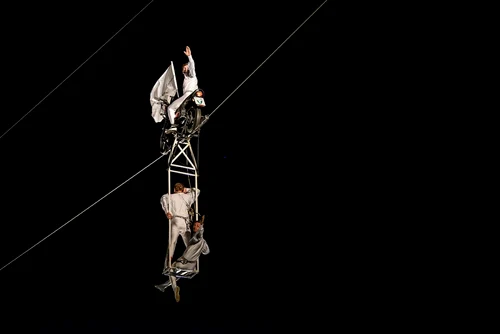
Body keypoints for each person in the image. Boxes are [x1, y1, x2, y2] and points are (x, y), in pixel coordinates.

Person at [155, 217, 210, 302]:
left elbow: (199, 234)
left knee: (172, 269)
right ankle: (164, 286)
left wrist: (201, 225)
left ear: (200, 228)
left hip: (183, 263)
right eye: (194, 226)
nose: (195, 227)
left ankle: (174, 288)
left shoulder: (194, 239)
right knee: (177, 274)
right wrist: (202, 245)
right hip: (191, 266)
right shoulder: (203, 242)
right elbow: (206, 252)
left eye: (197, 226)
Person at [160, 182, 200, 266]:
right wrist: (187, 190)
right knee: (189, 244)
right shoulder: (187, 196)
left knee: (172, 242)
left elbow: (163, 198)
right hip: (185, 222)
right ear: (183, 189)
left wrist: (167, 211)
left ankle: (169, 262)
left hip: (176, 220)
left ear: (174, 189)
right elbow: (197, 191)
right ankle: (191, 261)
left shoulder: (170, 196)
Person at [166, 46, 198, 133]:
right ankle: (181, 119)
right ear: (182, 70)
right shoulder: (185, 80)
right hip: (187, 97)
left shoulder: (192, 75)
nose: (186, 68)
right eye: (185, 68)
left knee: (170, 109)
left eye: (187, 67)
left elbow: (192, 67)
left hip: (190, 94)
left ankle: (173, 126)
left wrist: (189, 56)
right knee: (177, 109)